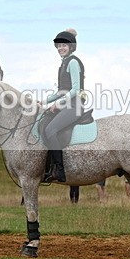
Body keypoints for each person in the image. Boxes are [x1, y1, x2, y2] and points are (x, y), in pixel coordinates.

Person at [42, 29, 85, 183]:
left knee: (50, 130)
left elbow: (76, 89)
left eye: (64, 45)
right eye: (59, 46)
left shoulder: (73, 62)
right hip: (67, 104)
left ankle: (60, 171)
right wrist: (44, 102)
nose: (61, 48)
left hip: (75, 106)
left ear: (71, 46)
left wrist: (58, 105)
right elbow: (61, 91)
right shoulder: (64, 63)